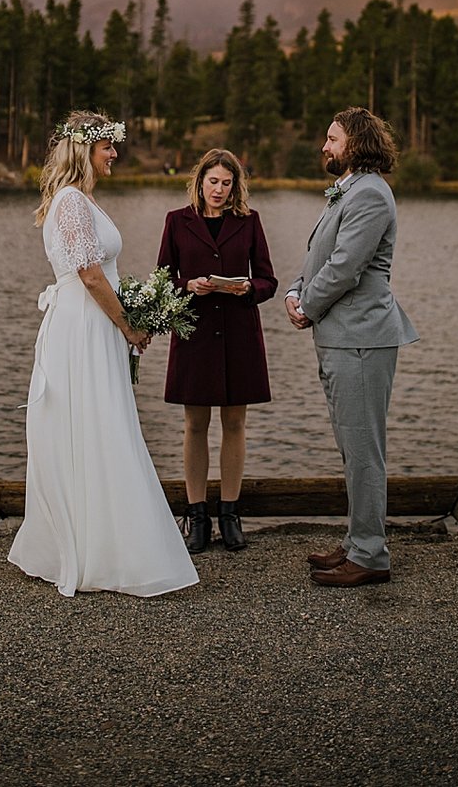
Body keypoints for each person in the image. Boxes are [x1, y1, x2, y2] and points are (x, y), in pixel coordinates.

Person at [8, 111, 198, 598]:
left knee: (99, 425)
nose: (115, 154)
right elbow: (90, 274)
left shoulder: (80, 200)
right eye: (107, 146)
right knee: (96, 424)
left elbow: (98, 273)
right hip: (84, 328)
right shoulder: (71, 201)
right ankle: (99, 550)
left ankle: (106, 540)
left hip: (92, 324)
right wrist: (129, 324)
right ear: (84, 150)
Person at [285, 107, 418, 587]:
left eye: (332, 138)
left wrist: (308, 306)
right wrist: (294, 292)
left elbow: (345, 268)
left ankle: (370, 556)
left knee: (364, 450)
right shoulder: (349, 192)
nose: (324, 146)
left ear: (355, 142)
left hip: (362, 338)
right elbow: (317, 256)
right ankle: (358, 538)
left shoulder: (371, 195)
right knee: (352, 446)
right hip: (343, 338)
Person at [158, 149, 278, 553]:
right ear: (200, 181)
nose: (219, 190)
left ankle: (230, 513)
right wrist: (187, 286)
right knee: (195, 425)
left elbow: (267, 279)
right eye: (213, 182)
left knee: (235, 425)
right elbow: (162, 280)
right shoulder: (177, 221)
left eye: (227, 183)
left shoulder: (249, 221)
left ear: (235, 186)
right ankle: (197, 517)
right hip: (193, 333)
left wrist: (248, 288)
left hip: (238, 333)